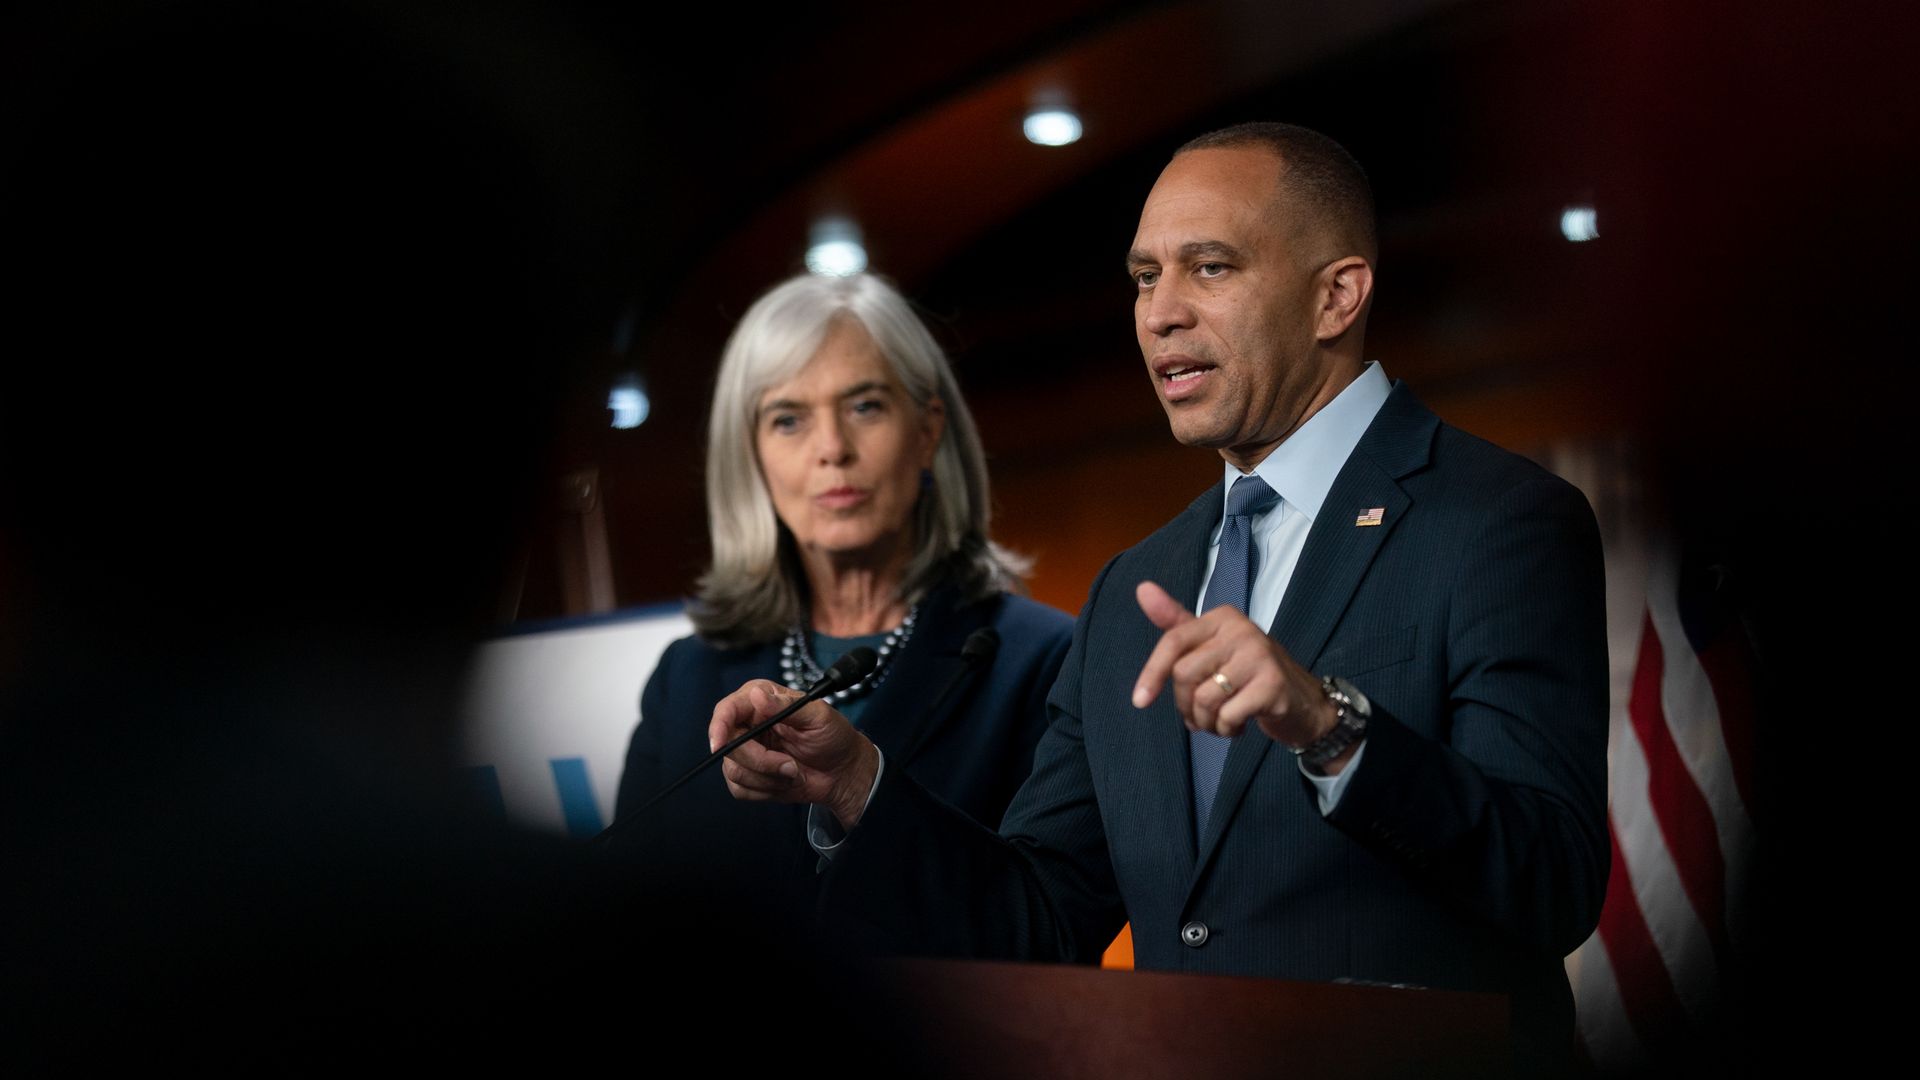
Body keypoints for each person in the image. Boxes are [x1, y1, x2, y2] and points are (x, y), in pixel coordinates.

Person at [707, 123, 1609, 1075]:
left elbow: (1553, 881)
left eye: (1209, 268)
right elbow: (1039, 920)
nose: (1160, 315)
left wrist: (1332, 726)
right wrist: (855, 783)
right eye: (1144, 277)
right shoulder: (1136, 586)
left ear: (1336, 295)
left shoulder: (1498, 521)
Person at [606, 272, 1072, 923]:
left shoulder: (1044, 659)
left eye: (865, 406)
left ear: (927, 429)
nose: (832, 450)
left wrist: (861, 784)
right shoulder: (687, 676)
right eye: (788, 419)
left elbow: (1047, 930)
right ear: (754, 458)